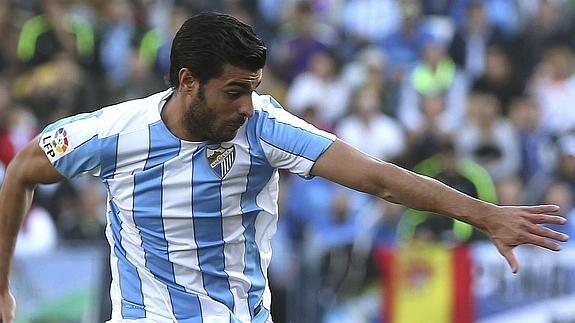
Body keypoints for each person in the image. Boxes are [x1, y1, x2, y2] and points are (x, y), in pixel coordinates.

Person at [0, 12, 569, 323]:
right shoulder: (115, 133)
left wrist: (485, 214)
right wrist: (1, 287)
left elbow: (378, 177)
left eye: (254, 88)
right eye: (234, 91)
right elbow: (23, 171)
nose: (248, 104)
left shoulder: (265, 128)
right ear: (187, 82)